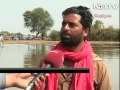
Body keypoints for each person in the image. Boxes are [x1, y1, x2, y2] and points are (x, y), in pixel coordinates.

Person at [35, 5, 111, 90]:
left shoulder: (98, 65)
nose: (65, 28)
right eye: (63, 24)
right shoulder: (48, 62)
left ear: (85, 31)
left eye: (72, 25)